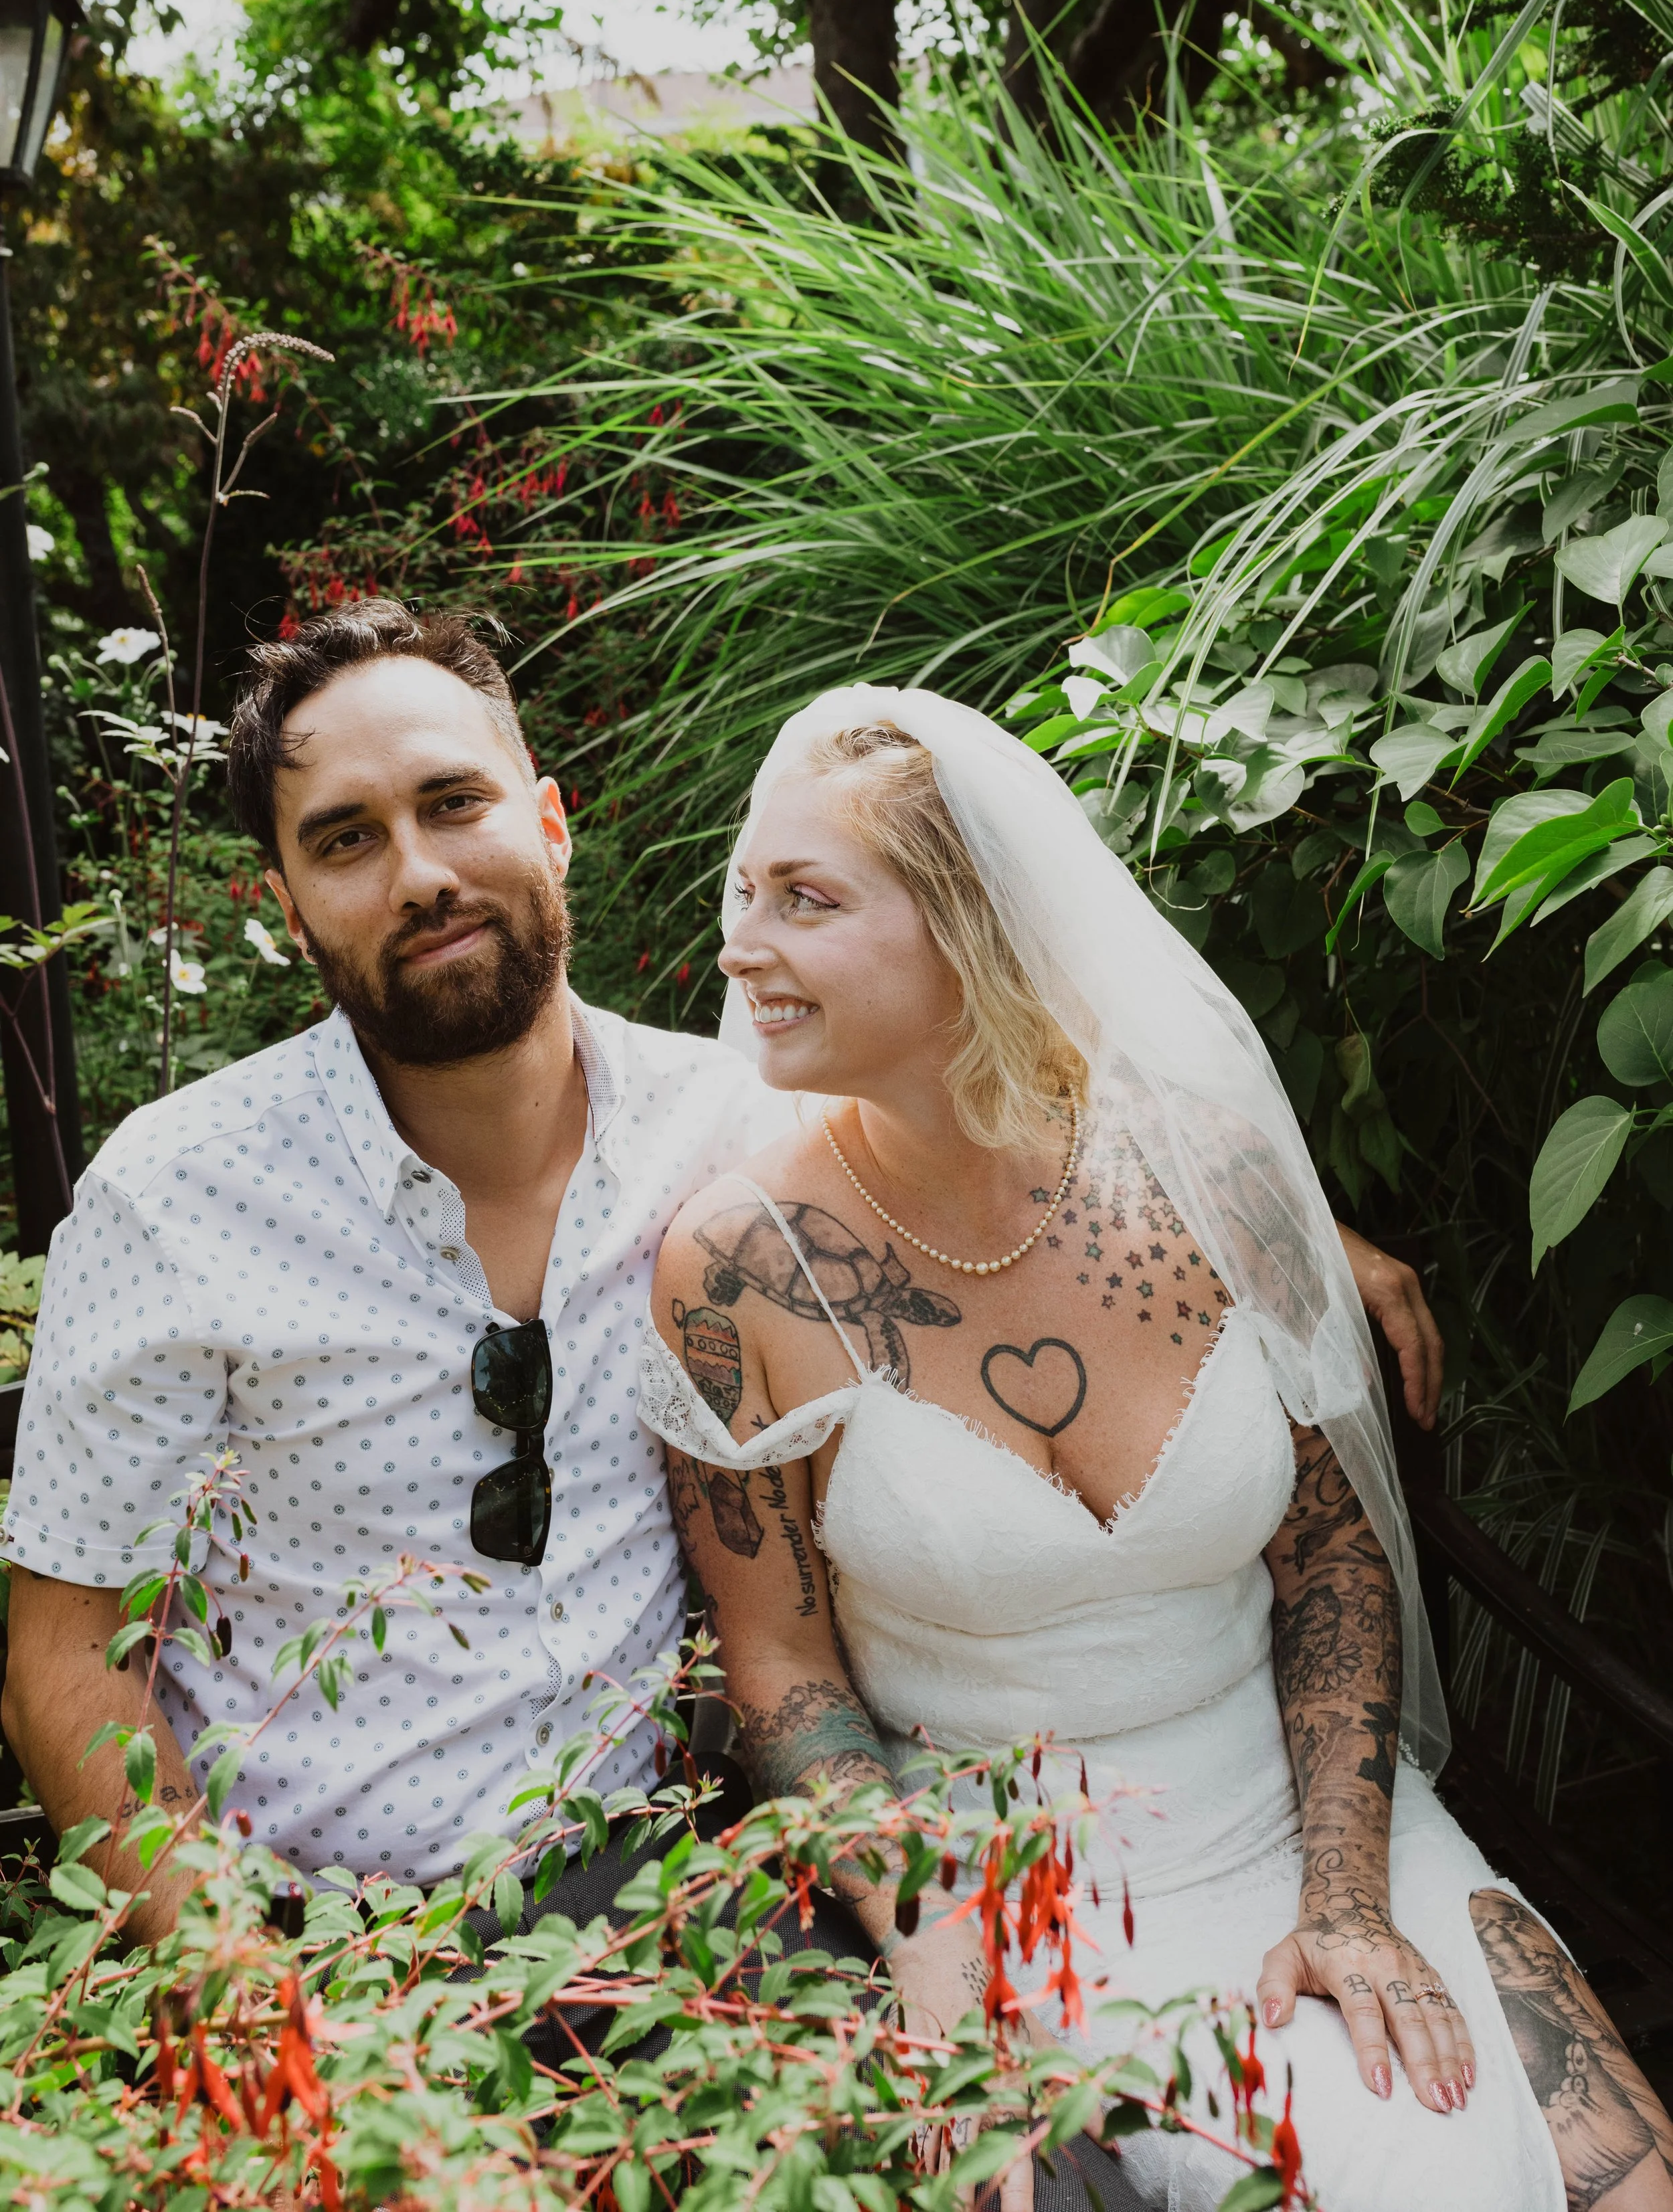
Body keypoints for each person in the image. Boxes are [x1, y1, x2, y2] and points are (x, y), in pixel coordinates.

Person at [0, 601, 1435, 1956]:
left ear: (547, 824)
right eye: (345, 841)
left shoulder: (744, 1130)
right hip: (320, 1939)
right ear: (293, 902)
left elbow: (1018, 1138)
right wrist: (246, 1998)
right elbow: (67, 1665)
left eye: (453, 803)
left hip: (689, 1897)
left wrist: (1291, 1237)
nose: (421, 872)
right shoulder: (174, 1197)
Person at [641, 684, 1673, 2212]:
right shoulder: (739, 1271)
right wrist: (926, 1938)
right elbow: (779, 1661)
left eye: (803, 899)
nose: (740, 948)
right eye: (747, 894)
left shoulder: (1208, 1175)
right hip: (1026, 1887)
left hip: (1307, 1810)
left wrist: (1344, 1899)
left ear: (967, 929)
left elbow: (1327, 1548)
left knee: (1618, 2182)